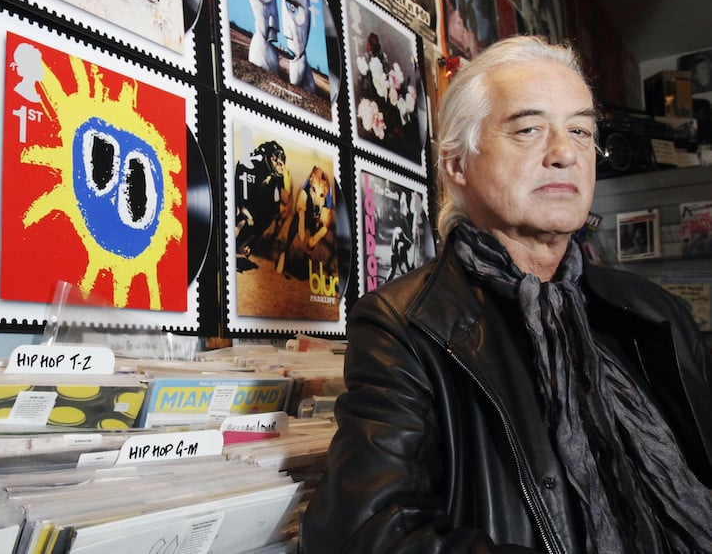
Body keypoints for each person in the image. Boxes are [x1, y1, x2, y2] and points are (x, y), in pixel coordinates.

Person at [302, 35, 712, 553]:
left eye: (581, 131)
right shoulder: (403, 326)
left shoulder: (657, 314)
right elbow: (364, 533)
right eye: (529, 129)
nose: (565, 153)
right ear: (457, 165)